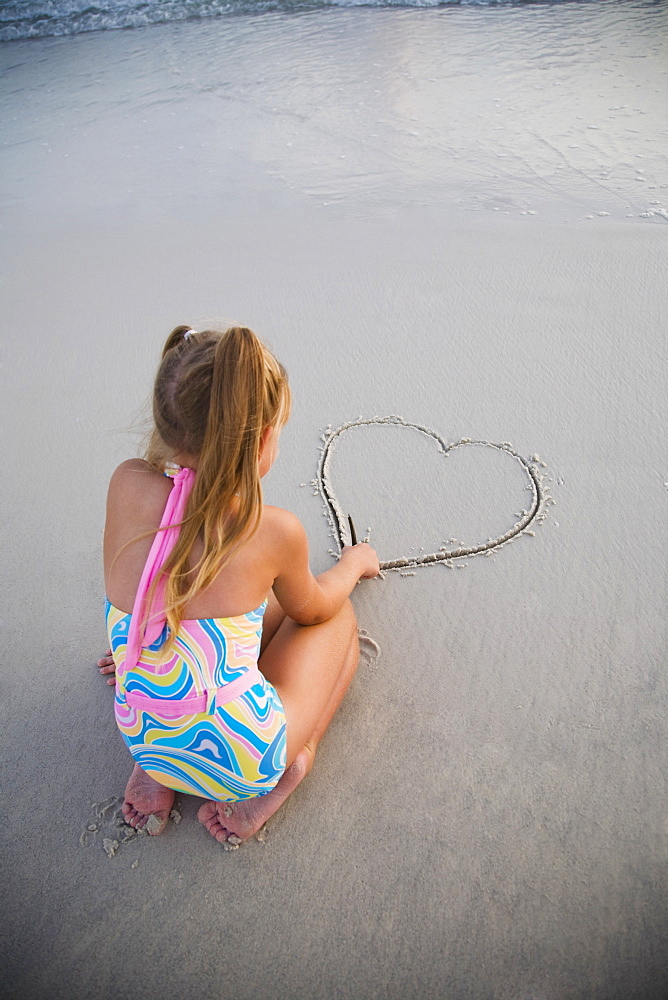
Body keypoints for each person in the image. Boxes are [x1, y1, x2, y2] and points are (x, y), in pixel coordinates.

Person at [99, 324, 379, 845]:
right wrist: (353, 564)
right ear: (263, 439)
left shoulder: (126, 483)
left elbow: (134, 577)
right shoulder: (271, 531)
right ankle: (291, 770)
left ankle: (160, 774)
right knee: (337, 623)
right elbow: (314, 609)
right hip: (243, 760)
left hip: (141, 733)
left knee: (235, 611)